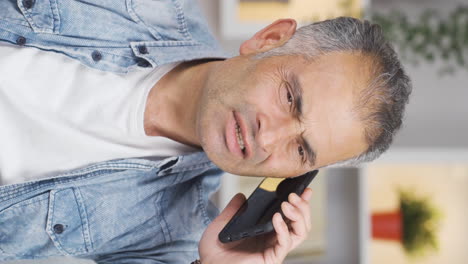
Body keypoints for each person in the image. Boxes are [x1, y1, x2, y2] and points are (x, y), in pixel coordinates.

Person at [0, 0, 411, 263]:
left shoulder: (177, 241)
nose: (267, 140)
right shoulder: (147, 6)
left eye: (301, 149)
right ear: (269, 39)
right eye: (289, 98)